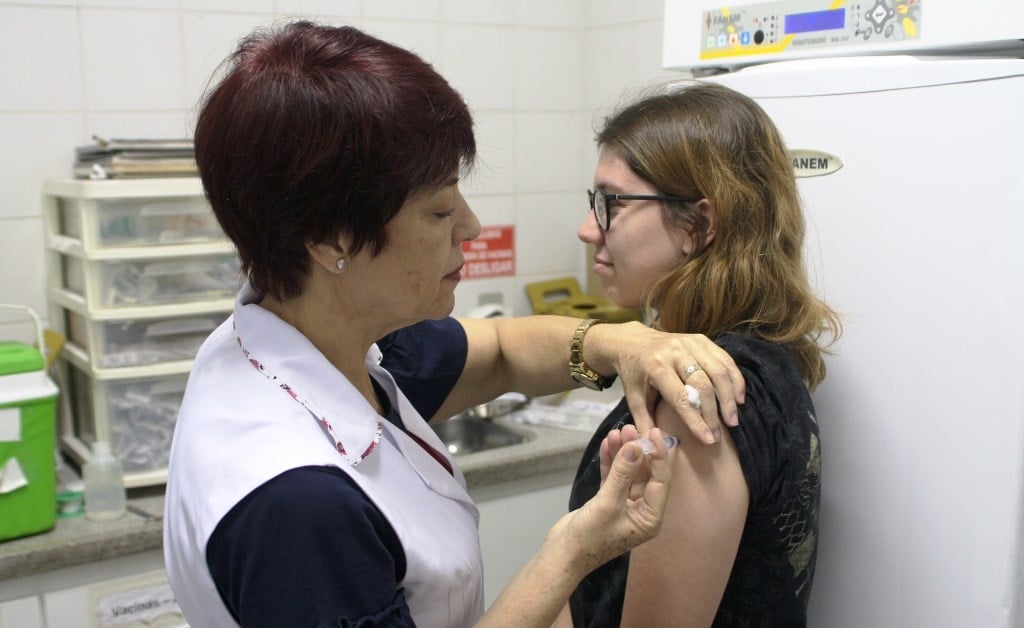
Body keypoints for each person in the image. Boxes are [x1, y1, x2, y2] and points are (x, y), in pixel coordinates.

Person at [162, 22, 748, 628]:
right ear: (330, 239)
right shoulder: (295, 503)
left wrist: (618, 341)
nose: (469, 226)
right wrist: (572, 552)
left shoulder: (313, 334)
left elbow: (498, 351)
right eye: (440, 208)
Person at [556, 81, 844, 627]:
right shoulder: (765, 356)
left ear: (699, 225)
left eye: (610, 203)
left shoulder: (697, 399)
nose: (587, 228)